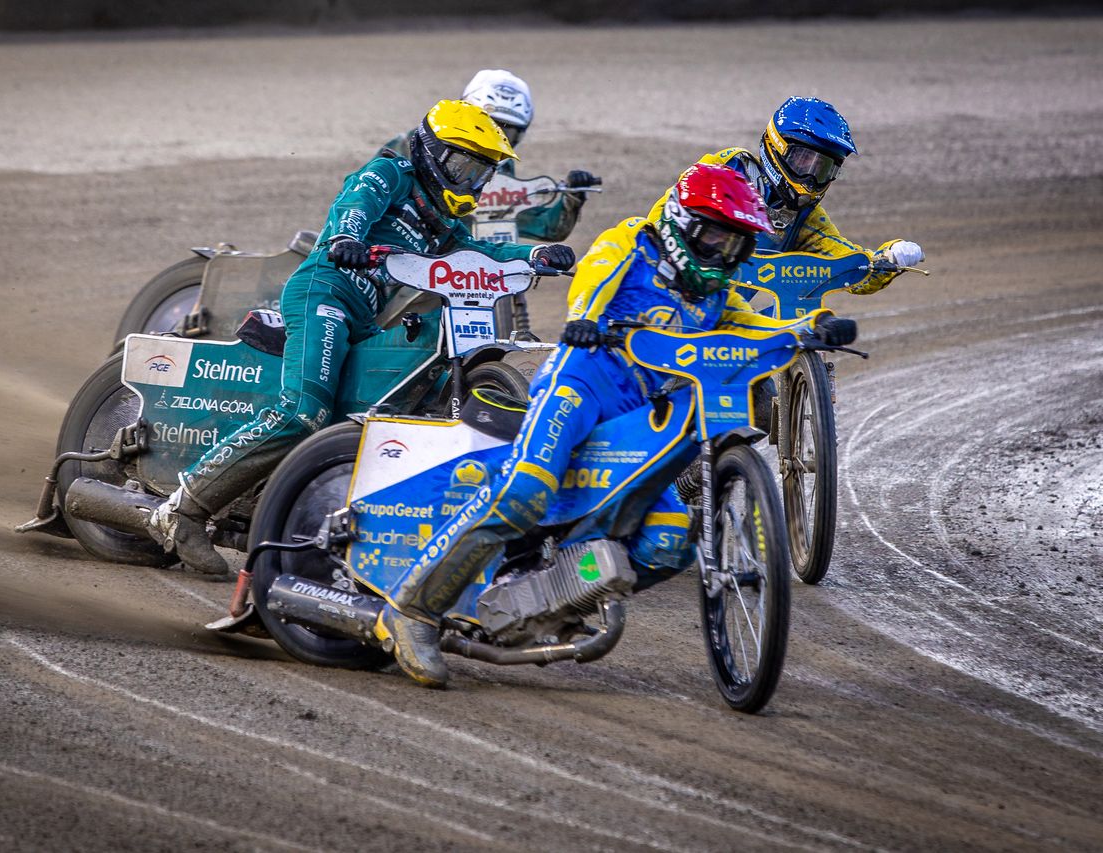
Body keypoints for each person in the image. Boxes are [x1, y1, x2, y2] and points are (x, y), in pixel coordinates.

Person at [374, 163, 858, 687]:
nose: (724, 252)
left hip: (637, 417)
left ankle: (551, 599)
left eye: (737, 242)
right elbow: (596, 273)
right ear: (681, 222)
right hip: (579, 385)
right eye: (715, 235)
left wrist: (810, 329)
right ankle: (412, 611)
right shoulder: (634, 242)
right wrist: (584, 317)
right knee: (524, 494)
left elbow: (759, 325)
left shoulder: (714, 296)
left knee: (670, 540)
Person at [145, 99, 577, 577]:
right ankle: (181, 512)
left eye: (481, 172)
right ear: (433, 152)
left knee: (383, 409)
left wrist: (535, 254)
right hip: (323, 292)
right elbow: (355, 202)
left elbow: (482, 250)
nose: (471, 181)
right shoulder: (391, 174)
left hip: (366, 317)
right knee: (304, 412)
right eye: (463, 165)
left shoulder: (444, 222)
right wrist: (346, 238)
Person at [682, 96, 924, 293]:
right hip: (670, 298)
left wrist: (889, 257)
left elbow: (847, 265)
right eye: (803, 160)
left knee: (808, 331)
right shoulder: (729, 168)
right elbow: (665, 217)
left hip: (730, 319)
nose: (810, 177)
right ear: (776, 146)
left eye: (823, 168)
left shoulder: (804, 218)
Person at [385, 70, 597, 242]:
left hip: (463, 248)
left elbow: (538, 225)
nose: (494, 137)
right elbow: (365, 192)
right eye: (488, 123)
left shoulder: (497, 166)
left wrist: (571, 199)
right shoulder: (412, 143)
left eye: (506, 131)